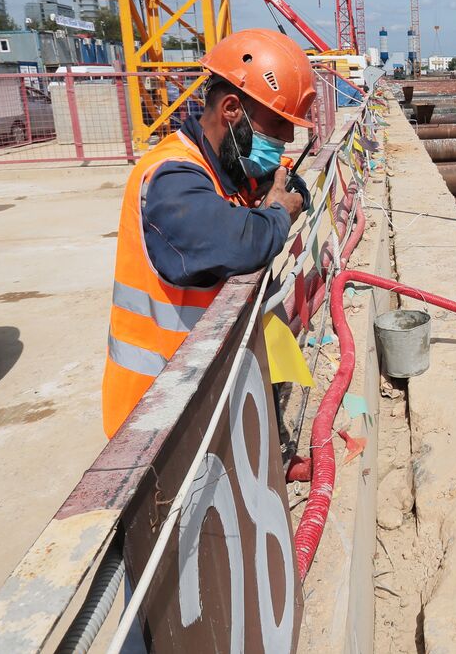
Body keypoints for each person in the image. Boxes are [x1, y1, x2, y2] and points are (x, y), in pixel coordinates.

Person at [102, 29, 316, 438]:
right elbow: (238, 243)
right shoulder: (172, 177)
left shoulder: (225, 163)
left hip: (202, 392)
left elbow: (289, 185)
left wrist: (280, 194)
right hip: (157, 414)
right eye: (275, 129)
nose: (285, 143)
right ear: (232, 109)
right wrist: (276, 212)